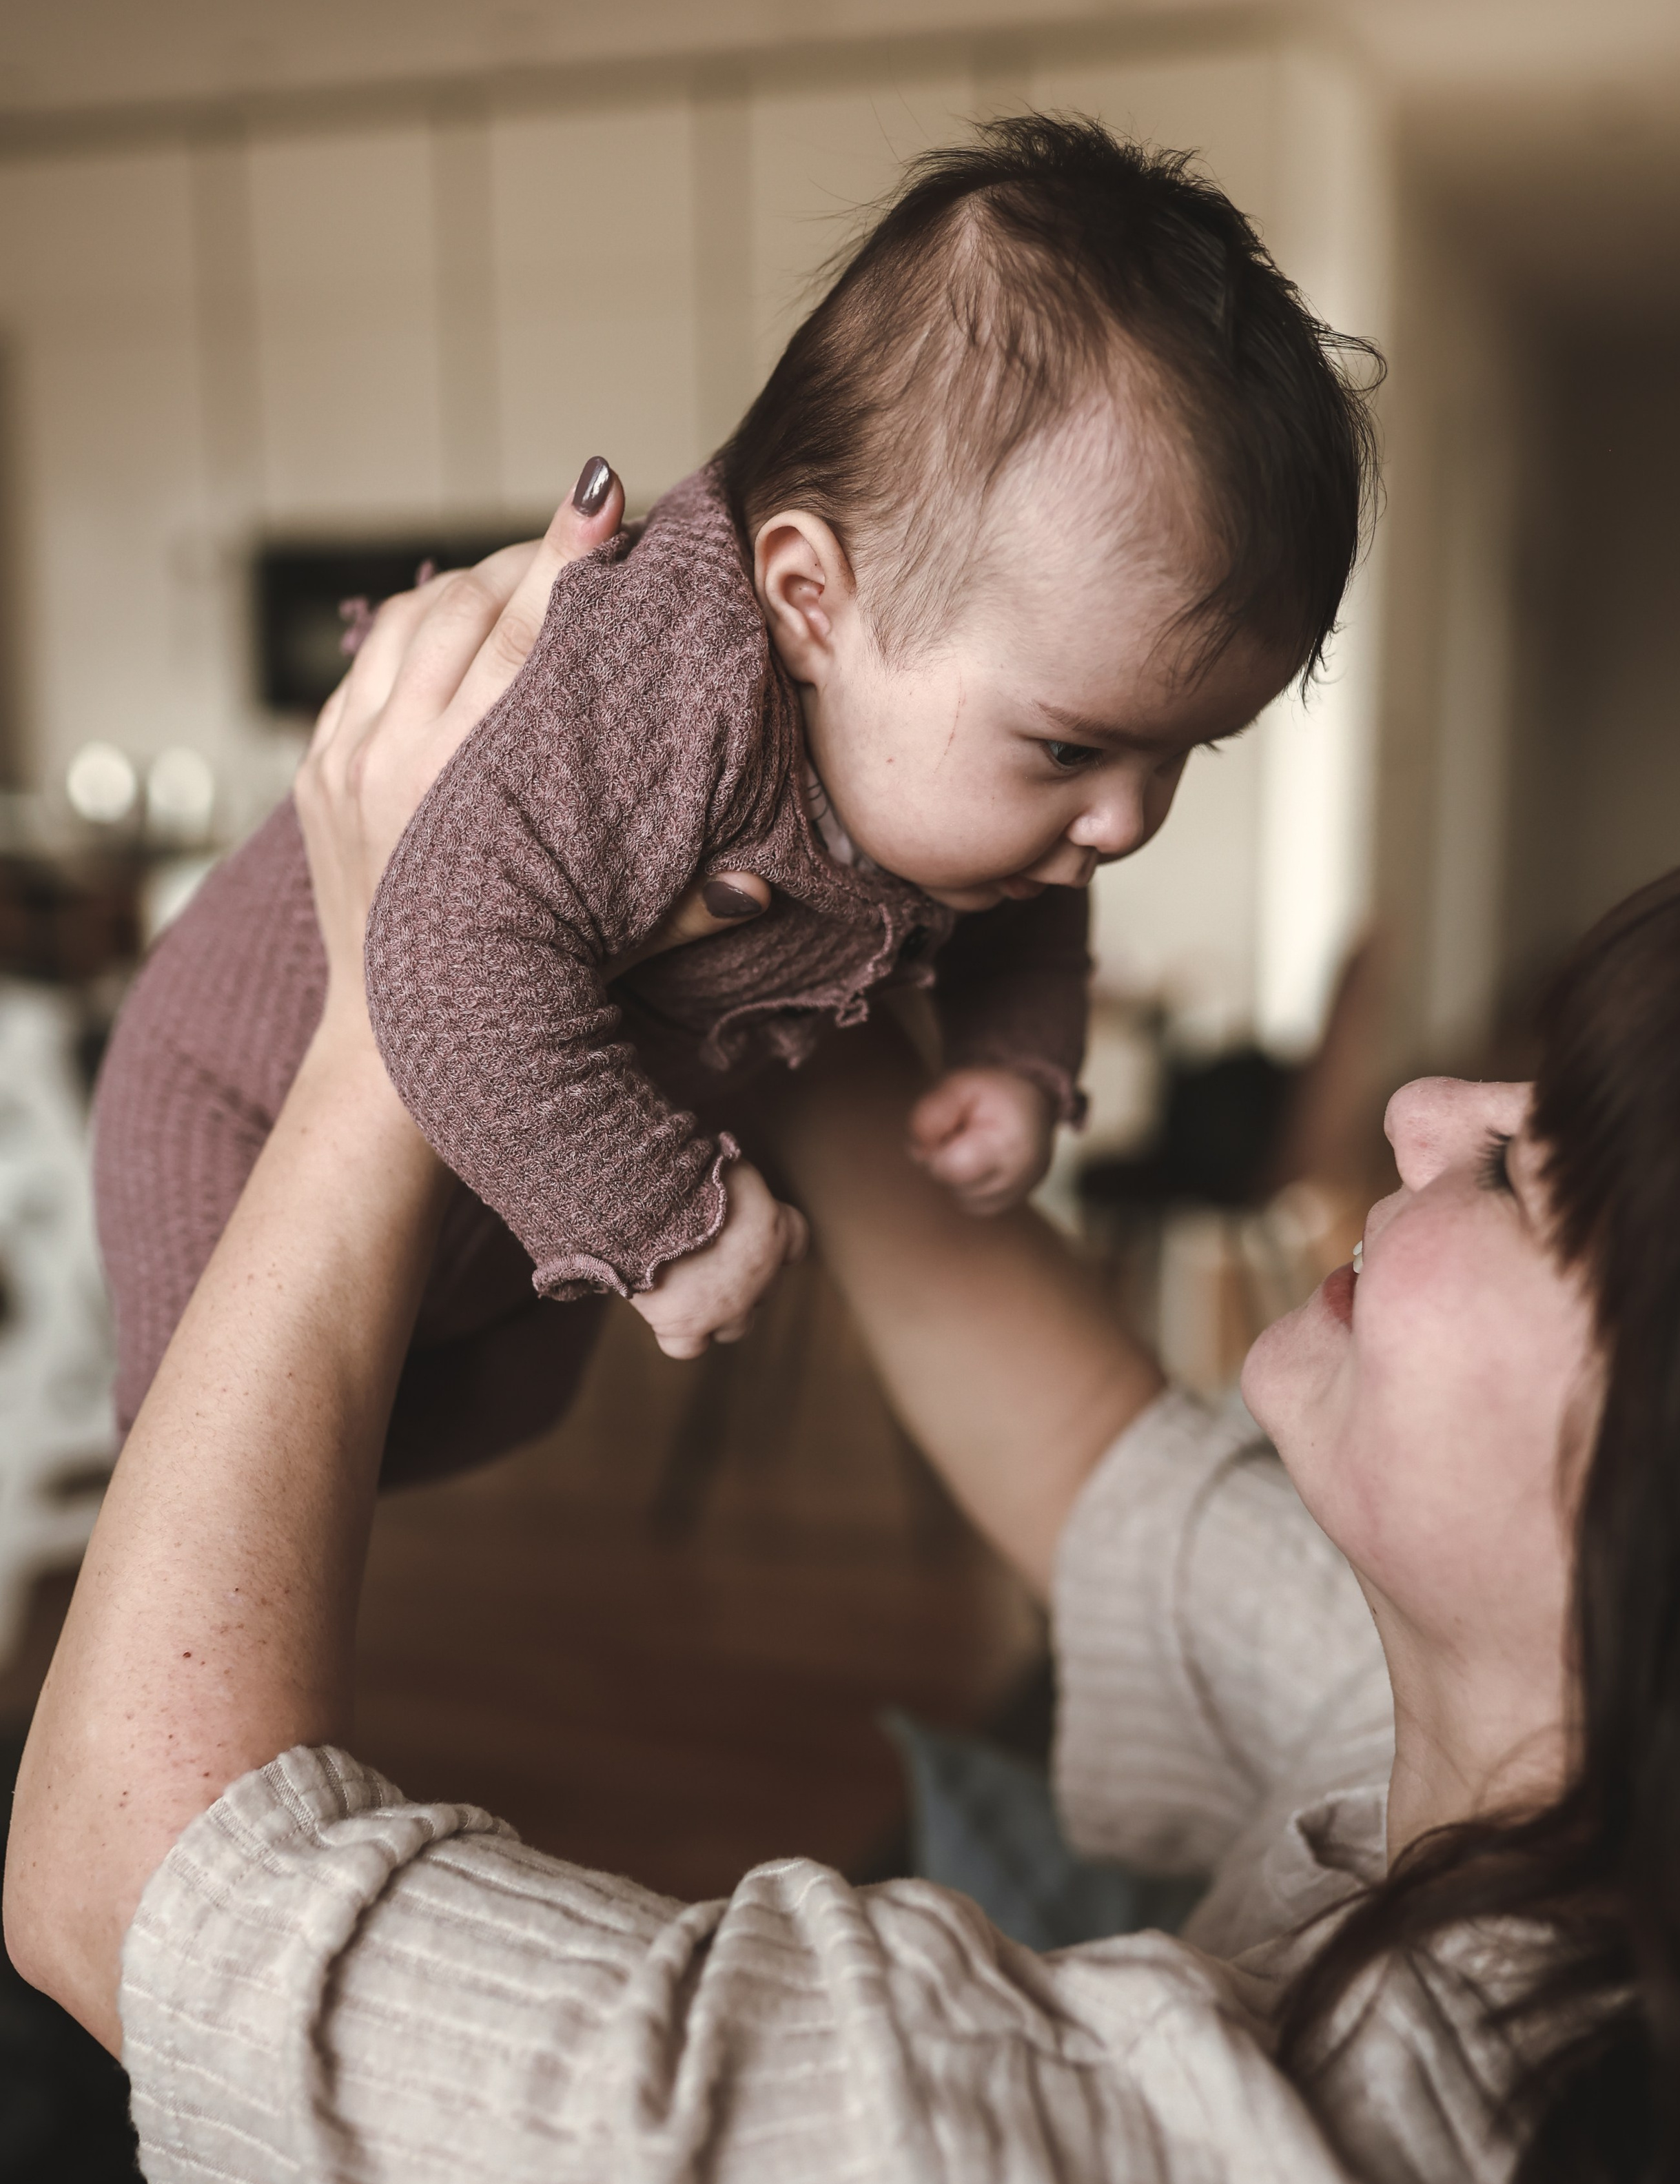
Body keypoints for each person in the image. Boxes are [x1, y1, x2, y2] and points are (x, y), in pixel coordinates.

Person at [9, 523, 1680, 2184]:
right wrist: (788, 854)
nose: (1412, 1114)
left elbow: (135, 1871)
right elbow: (1103, 1464)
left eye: (1530, 1173)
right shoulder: (1627, 1820)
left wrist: (413, 983)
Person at [92, 118, 1375, 1480]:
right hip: (237, 1094)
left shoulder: (963, 796)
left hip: (516, 1151)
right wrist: (669, 1224)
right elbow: (451, 956)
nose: (1119, 825)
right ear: (808, 597)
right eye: (1071, 753)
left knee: (486, 1409)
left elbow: (1024, 912)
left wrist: (1015, 1053)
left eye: (1179, 757)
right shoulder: (665, 691)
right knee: (213, 1460)